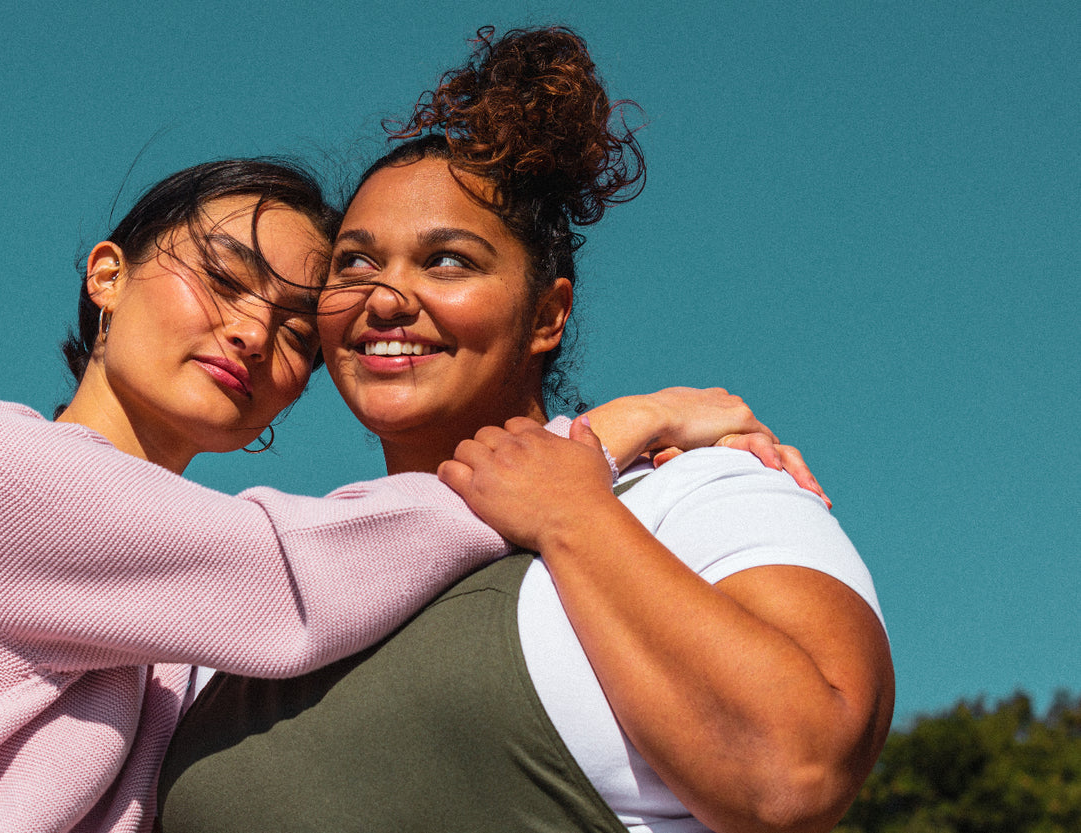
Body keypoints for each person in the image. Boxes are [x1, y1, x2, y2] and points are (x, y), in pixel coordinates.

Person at [0, 158, 788, 833]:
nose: (255, 331)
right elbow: (290, 573)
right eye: (222, 275)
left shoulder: (174, 634)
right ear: (107, 275)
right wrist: (606, 435)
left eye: (298, 324)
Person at [156, 26, 894, 833]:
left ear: (547, 314)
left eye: (448, 262)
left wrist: (574, 513)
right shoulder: (255, 594)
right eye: (355, 264)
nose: (387, 295)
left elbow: (796, 771)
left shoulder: (685, 494)